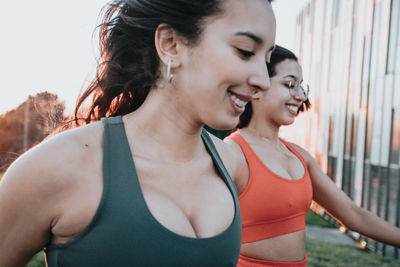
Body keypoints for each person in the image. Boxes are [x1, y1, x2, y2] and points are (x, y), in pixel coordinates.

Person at [0, 0, 276, 266]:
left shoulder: (230, 163)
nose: (264, 81)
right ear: (171, 45)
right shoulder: (58, 167)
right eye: (245, 51)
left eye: (268, 59)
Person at [225, 45, 400, 266]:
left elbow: (353, 215)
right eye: (290, 85)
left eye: (301, 87)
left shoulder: (300, 156)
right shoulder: (232, 152)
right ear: (258, 86)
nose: (299, 96)